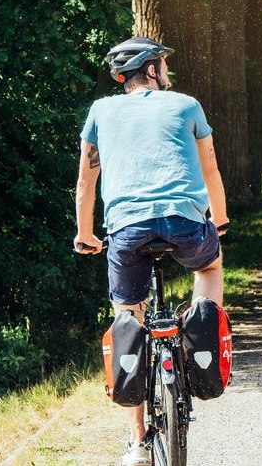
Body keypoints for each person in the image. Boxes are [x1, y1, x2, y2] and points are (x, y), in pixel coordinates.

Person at [73, 37, 230, 466]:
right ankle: (202, 339)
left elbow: (86, 183)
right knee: (210, 266)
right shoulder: (186, 105)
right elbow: (210, 168)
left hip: (125, 230)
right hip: (185, 222)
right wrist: (219, 219)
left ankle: (138, 443)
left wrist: (85, 233)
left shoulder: (100, 112)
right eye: (163, 63)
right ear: (153, 70)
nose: (167, 71)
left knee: (128, 315)